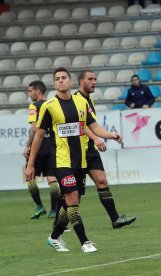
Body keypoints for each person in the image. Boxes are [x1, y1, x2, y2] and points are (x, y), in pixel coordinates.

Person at [25, 67, 122, 253]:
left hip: (80, 161)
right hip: (61, 161)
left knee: (69, 203)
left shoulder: (81, 103)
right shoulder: (49, 106)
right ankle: (85, 242)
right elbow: (37, 137)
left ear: (70, 82)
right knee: (73, 199)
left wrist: (110, 135)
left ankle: (54, 238)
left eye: (64, 78)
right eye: (57, 79)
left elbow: (92, 127)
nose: (60, 81)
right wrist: (30, 165)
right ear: (54, 84)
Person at [74, 70, 136, 229]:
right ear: (81, 81)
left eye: (95, 79)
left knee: (102, 181)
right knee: (75, 194)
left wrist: (110, 135)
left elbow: (93, 126)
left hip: (90, 150)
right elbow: (79, 125)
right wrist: (95, 138)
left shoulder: (89, 100)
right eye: (90, 79)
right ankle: (61, 222)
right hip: (77, 151)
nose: (94, 82)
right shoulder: (75, 100)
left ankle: (115, 219)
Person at [24, 80, 60, 219]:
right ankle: (53, 210)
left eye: (30, 91)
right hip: (51, 146)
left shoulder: (34, 105)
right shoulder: (52, 104)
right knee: (52, 178)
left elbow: (34, 129)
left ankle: (39, 206)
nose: (29, 94)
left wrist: (27, 145)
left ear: (37, 91)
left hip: (38, 147)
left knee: (30, 177)